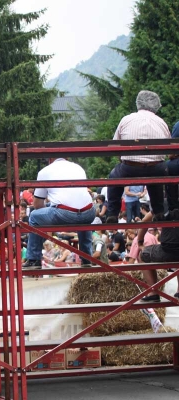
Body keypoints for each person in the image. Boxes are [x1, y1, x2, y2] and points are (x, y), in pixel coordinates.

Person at [107, 91, 170, 219]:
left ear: (138, 103)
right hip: (155, 167)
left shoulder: (127, 119)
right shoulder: (161, 122)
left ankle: (113, 213)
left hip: (130, 167)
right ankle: (158, 212)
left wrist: (124, 159)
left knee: (114, 176)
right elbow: (168, 149)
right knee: (157, 176)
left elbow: (115, 146)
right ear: (156, 106)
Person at [23, 158, 96, 269]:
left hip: (64, 213)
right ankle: (86, 258)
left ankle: (34, 259)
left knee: (34, 216)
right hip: (89, 212)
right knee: (83, 218)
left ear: (50, 161)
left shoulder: (44, 171)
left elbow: (37, 205)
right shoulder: (78, 167)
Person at [136, 208, 179, 302]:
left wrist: (140, 241)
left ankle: (153, 292)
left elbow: (145, 220)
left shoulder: (164, 204)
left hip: (167, 250)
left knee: (143, 255)